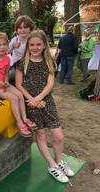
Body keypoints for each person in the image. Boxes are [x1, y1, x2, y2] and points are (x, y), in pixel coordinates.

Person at [15, 30, 75, 183]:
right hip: (30, 105)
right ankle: (52, 165)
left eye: (38, 45)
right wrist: (32, 100)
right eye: (31, 45)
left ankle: (58, 160)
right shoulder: (22, 64)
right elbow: (18, 84)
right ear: (28, 45)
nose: (34, 48)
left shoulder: (49, 62)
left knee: (58, 136)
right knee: (40, 135)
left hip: (46, 102)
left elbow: (50, 83)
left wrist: (39, 98)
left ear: (44, 45)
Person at [0, 32, 36, 138]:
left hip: (2, 84)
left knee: (19, 94)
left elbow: (5, 73)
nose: (2, 47)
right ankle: (19, 123)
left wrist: (6, 81)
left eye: (4, 44)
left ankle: (25, 118)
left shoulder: (7, 58)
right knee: (14, 98)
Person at [8, 15, 35, 84]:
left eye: (25, 27)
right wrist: (13, 47)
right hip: (14, 67)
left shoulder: (33, 41)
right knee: (3, 78)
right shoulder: (15, 39)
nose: (23, 30)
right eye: (20, 28)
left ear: (30, 28)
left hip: (28, 68)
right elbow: (6, 52)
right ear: (16, 30)